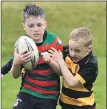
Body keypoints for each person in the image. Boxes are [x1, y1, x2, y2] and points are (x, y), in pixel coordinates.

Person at [6, 4, 64, 109]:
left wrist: (50, 61)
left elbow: (61, 72)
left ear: (45, 24)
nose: (35, 29)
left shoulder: (54, 41)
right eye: (31, 26)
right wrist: (16, 62)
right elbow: (15, 75)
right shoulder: (20, 44)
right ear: (24, 26)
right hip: (27, 92)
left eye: (39, 25)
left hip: (49, 95)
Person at [44, 27, 98, 109]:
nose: (72, 53)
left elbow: (72, 82)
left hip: (84, 106)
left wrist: (61, 62)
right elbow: (62, 72)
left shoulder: (91, 64)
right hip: (66, 105)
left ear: (88, 49)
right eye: (71, 49)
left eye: (77, 51)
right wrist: (50, 61)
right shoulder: (67, 51)